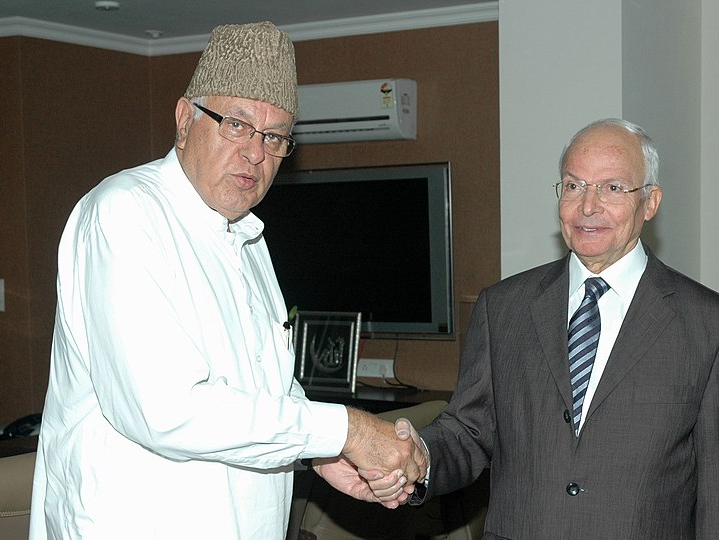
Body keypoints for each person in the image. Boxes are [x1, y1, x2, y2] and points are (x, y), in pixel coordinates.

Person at [29, 22, 424, 540]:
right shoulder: (125, 214)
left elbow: (264, 391)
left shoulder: (248, 238)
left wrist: (320, 453)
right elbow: (165, 411)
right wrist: (344, 431)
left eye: (275, 136)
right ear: (184, 120)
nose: (256, 153)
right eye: (236, 125)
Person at [368, 118, 719, 537]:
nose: (589, 206)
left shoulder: (712, 328)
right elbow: (470, 432)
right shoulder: (503, 308)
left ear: (650, 202)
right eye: (574, 185)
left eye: (612, 188)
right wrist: (417, 457)